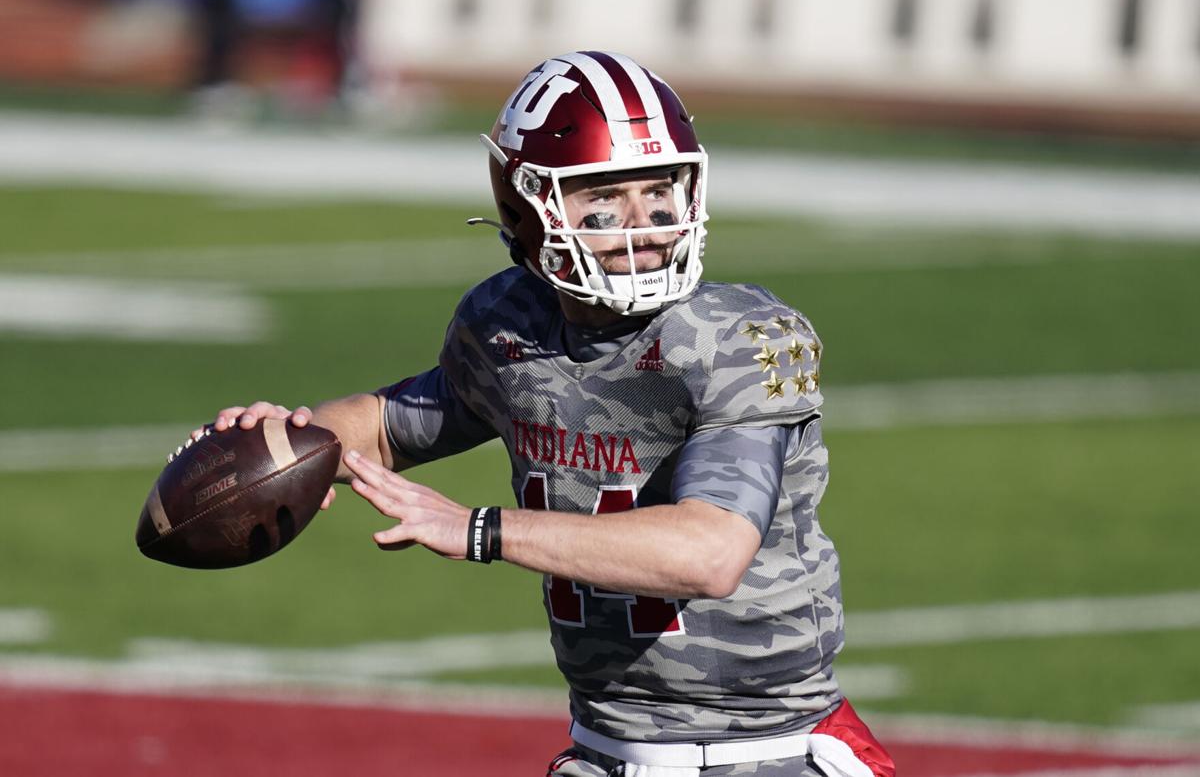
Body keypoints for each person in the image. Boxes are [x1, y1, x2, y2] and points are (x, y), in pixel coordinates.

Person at [201, 51, 896, 777]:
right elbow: (387, 425)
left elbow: (709, 554)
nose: (645, 224)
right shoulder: (511, 328)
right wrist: (289, 442)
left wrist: (480, 529)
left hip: (770, 754)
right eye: (604, 199)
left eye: (660, 191)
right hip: (603, 750)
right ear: (526, 209)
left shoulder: (735, 337)